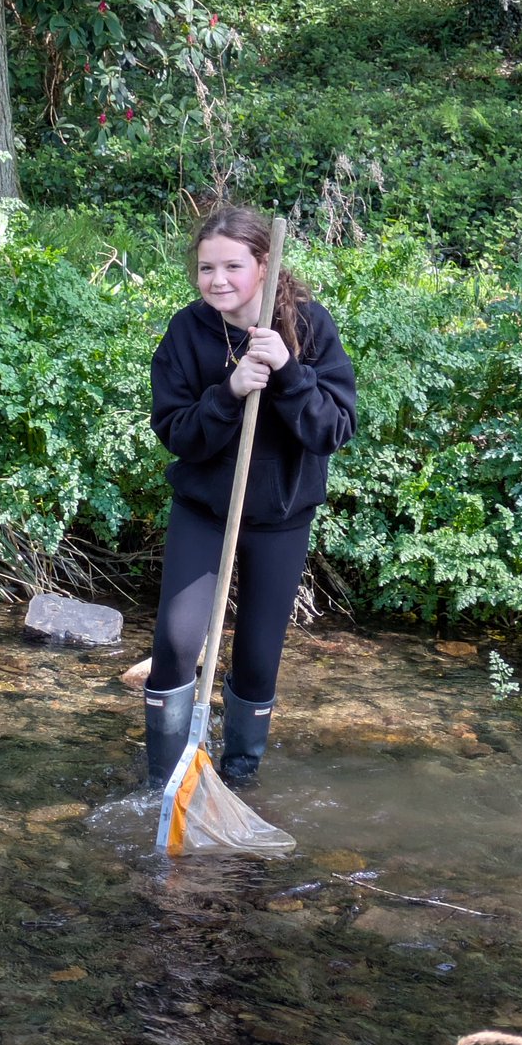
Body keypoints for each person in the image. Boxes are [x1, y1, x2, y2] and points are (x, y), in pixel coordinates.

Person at [144, 206, 357, 787]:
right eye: (207, 267)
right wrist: (229, 392)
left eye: (233, 266)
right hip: (205, 511)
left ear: (264, 265)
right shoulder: (188, 332)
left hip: (280, 517)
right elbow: (177, 433)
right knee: (176, 641)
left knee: (259, 656)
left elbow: (332, 430)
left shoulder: (309, 327)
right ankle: (167, 778)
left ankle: (239, 779)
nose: (218, 280)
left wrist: (288, 373)